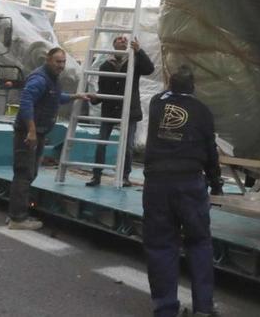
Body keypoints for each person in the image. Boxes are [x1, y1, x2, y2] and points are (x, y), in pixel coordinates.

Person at [143, 65, 222, 317]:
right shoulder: (202, 111)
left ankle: (165, 309)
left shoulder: (156, 105)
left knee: (160, 244)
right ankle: (203, 307)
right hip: (189, 183)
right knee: (199, 242)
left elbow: (165, 97)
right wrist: (216, 182)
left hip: (157, 183)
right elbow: (211, 150)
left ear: (170, 84)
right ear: (193, 86)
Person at [9, 47, 86, 230]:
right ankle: (17, 219)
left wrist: (76, 96)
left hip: (39, 132)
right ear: (48, 60)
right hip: (28, 134)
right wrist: (31, 131)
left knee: (30, 172)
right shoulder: (40, 79)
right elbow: (26, 102)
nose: (61, 65)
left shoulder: (51, 79)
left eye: (63, 62)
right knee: (24, 173)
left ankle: (16, 215)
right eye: (58, 61)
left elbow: (56, 98)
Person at [86, 34, 154, 187]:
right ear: (114, 44)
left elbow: (150, 69)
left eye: (125, 39)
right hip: (110, 111)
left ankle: (125, 176)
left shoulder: (134, 62)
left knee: (128, 146)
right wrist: (94, 98)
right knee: (101, 143)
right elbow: (103, 90)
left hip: (129, 110)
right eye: (119, 39)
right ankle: (96, 176)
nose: (123, 40)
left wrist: (139, 51)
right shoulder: (105, 66)